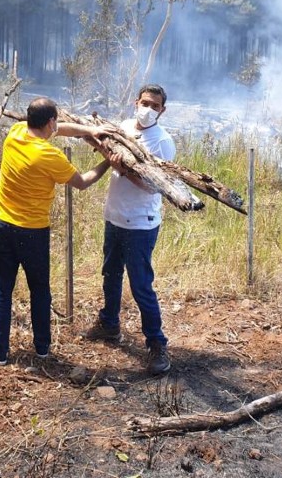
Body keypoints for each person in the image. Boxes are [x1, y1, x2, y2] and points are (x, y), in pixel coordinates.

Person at [0, 97, 112, 366]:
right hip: (32, 232)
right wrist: (108, 161)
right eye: (55, 122)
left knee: (3, 289)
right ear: (50, 122)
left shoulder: (16, 132)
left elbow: (59, 129)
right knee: (40, 289)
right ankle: (42, 348)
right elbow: (83, 182)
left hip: (0, 224)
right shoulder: (49, 156)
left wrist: (90, 130)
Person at [82, 84, 176, 376]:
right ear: (136, 102)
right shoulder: (123, 128)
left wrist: (123, 169)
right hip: (115, 217)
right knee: (110, 274)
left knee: (141, 285)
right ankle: (109, 324)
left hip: (140, 223)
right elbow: (106, 149)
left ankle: (156, 344)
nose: (148, 109)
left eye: (155, 106)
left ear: (162, 110)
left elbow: (153, 186)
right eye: (145, 103)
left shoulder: (163, 142)